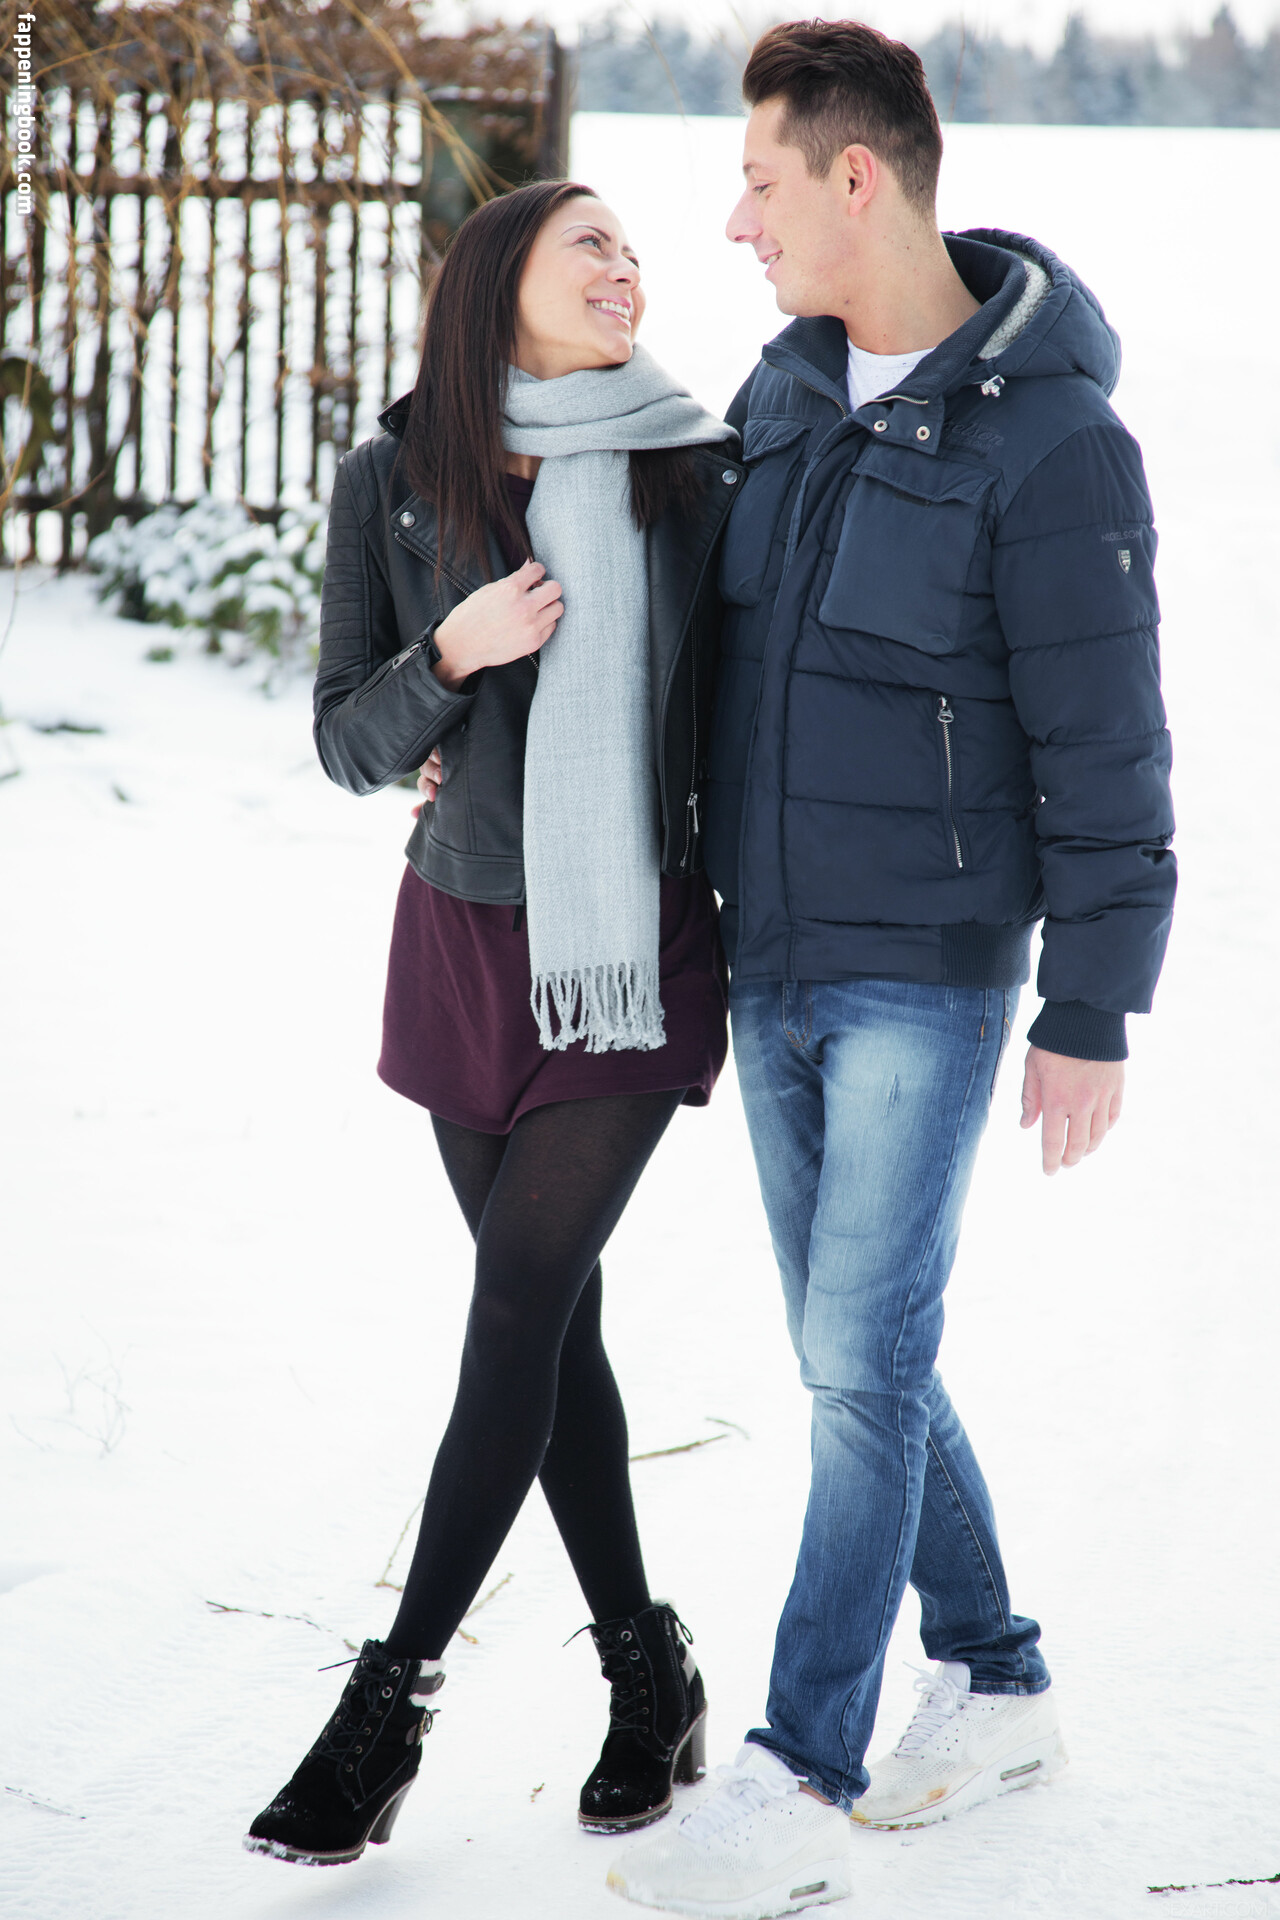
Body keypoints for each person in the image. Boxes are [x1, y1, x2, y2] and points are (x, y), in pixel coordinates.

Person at [606, 21, 1176, 1918]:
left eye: (760, 180)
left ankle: (803, 1764)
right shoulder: (776, 400)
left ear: (859, 177)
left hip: (928, 968)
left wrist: (1090, 1002)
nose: (736, 222)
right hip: (769, 953)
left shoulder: (1056, 442)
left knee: (859, 1361)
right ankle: (999, 1677)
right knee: (862, 1355)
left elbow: (1110, 747)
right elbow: (673, 642)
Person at [243, 179, 742, 1869]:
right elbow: (343, 740)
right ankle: (649, 1671)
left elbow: (748, 712)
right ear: (498, 278)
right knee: (553, 1330)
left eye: (633, 250)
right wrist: (448, 657)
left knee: (520, 1299)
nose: (628, 267)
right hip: (465, 937)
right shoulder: (396, 475)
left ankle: (385, 1707)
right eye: (590, 242)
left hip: (634, 949)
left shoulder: (694, 467)